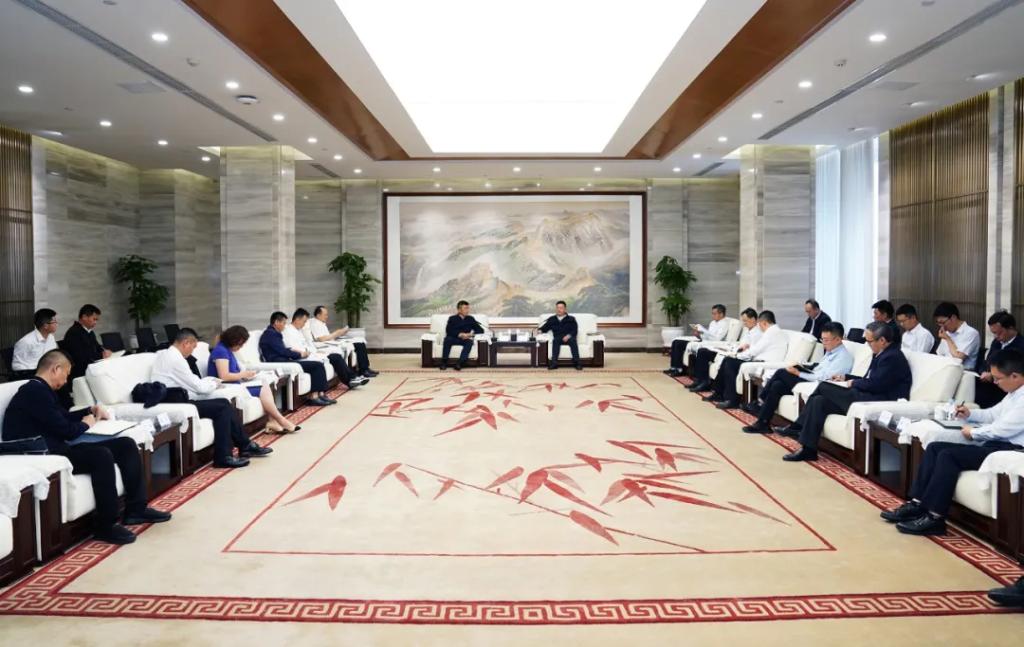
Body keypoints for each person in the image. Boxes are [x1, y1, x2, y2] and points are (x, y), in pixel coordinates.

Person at [2, 349, 171, 545]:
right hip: (42, 453)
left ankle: (136, 509)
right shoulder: (34, 392)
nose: (66, 380)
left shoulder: (41, 389)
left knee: (126, 444)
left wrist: (90, 410)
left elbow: (63, 417)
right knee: (101, 455)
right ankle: (105, 526)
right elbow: (68, 430)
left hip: (56, 447)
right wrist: (87, 423)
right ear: (56, 369)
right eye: (66, 374)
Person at [879, 349, 1024, 536]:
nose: (995, 383)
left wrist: (974, 433)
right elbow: (992, 415)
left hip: (1010, 451)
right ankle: (917, 504)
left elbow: (1003, 429)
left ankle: (935, 518)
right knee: (934, 448)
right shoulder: (1014, 393)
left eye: (998, 379)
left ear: (1015, 376)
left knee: (948, 456)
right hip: (995, 445)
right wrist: (970, 414)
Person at [776, 321, 912, 462]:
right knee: (819, 401)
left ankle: (798, 426)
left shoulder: (892, 357)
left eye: (869, 341)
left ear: (882, 340)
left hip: (877, 400)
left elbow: (876, 385)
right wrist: (847, 377)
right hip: (868, 395)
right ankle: (808, 449)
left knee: (823, 386)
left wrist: (852, 383)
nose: (867, 344)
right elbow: (869, 379)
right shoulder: (881, 353)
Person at [153, 328, 269, 468]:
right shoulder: (175, 360)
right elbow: (199, 388)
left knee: (223, 404)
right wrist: (214, 383)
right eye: (193, 347)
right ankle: (225, 456)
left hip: (179, 398)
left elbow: (192, 382)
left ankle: (244, 446)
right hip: (178, 403)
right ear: (186, 343)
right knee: (222, 407)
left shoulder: (167, 355)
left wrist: (209, 382)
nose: (192, 351)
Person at [742, 322, 853, 433]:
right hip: (812, 379)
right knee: (777, 385)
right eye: (822, 339)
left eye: (826, 340)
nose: (823, 343)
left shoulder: (843, 357)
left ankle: (760, 401)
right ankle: (763, 423)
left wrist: (799, 373)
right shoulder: (831, 351)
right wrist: (803, 366)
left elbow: (823, 378)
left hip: (818, 386)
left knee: (782, 372)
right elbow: (818, 368)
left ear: (838, 339)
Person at [209, 325, 299, 434]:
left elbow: (234, 371)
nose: (241, 347)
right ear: (233, 340)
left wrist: (246, 375)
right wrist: (243, 374)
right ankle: (280, 420)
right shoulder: (221, 351)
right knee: (263, 388)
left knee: (263, 383)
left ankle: (273, 421)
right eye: (240, 344)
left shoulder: (226, 349)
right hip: (228, 387)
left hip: (235, 384)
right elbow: (224, 376)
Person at [705, 310, 788, 410]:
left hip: (764, 363)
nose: (759, 327)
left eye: (760, 324)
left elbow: (755, 350)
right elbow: (754, 349)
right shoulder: (774, 331)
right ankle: (719, 393)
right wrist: (738, 354)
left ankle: (732, 400)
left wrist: (737, 355)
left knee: (730, 363)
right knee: (728, 360)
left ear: (765, 323)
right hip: (759, 360)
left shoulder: (770, 333)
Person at [260, 311, 335, 405]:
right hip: (279, 362)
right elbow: (282, 351)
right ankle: (314, 397)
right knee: (316, 366)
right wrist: (300, 355)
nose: (285, 326)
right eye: (283, 323)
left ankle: (321, 394)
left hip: (284, 360)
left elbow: (282, 350)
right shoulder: (271, 334)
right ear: (276, 322)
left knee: (318, 364)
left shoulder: (273, 333)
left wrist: (295, 352)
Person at [286, 308, 367, 390]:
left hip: (312, 353)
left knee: (336, 356)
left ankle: (352, 378)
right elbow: (292, 348)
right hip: (304, 356)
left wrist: (315, 351)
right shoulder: (288, 331)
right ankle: (351, 379)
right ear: (297, 319)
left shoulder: (299, 330)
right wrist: (308, 352)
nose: (305, 324)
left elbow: (308, 344)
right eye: (304, 321)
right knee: (335, 357)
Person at [687, 308, 759, 393]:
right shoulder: (747, 330)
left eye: (745, 321)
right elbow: (740, 343)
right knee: (702, 352)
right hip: (729, 349)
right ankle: (700, 381)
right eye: (743, 321)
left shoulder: (757, 333)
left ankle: (712, 388)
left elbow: (750, 349)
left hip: (738, 354)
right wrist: (732, 347)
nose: (744, 323)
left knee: (724, 360)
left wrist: (735, 351)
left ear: (753, 319)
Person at [308, 305, 378, 378]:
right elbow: (321, 339)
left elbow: (328, 336)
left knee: (360, 343)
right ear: (318, 315)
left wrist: (340, 333)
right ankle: (363, 370)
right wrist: (336, 333)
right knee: (358, 345)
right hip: (326, 344)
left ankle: (365, 368)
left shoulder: (321, 322)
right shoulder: (314, 323)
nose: (327, 317)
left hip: (332, 341)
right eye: (325, 315)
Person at [975, 311, 1024, 408]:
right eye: (994, 333)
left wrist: (992, 376)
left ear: (1011, 328)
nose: (996, 336)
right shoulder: (996, 342)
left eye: (999, 333)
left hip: (1005, 387)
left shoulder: (1021, 345)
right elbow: (988, 360)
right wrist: (984, 371)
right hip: (990, 382)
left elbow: (1016, 372)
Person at [664, 304, 729, 376]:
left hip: (711, 344)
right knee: (676, 342)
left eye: (714, 314)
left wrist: (704, 334)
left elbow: (717, 339)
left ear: (721, 314)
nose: (712, 316)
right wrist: (699, 335)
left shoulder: (725, 324)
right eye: (712, 313)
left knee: (679, 344)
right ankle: (673, 367)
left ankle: (679, 369)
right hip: (704, 341)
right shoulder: (713, 323)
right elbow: (708, 336)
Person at [933, 302, 981, 371]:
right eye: (938, 323)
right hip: (946, 369)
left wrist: (948, 339)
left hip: (964, 371)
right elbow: (940, 355)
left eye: (943, 322)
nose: (941, 326)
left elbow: (958, 358)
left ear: (953, 318)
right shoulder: (947, 333)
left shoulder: (971, 333)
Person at [11, 308, 59, 375]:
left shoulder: (51, 337)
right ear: (45, 326)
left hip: (47, 372)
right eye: (54, 322)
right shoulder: (26, 341)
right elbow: (17, 366)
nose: (57, 324)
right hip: (31, 374)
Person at [440, 300, 484, 370]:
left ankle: (459, 363)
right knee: (447, 340)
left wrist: (470, 335)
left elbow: (480, 330)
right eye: (465, 308)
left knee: (469, 342)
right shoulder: (452, 318)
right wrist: (460, 334)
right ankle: (444, 362)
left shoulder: (470, 319)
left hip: (465, 339)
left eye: (468, 308)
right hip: (453, 338)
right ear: (459, 310)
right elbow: (449, 331)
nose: (467, 310)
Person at [539, 301, 582, 371]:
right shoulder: (552, 319)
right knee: (555, 340)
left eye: (561, 308)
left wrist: (568, 336)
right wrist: (539, 331)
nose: (559, 310)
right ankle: (554, 363)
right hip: (558, 338)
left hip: (569, 337)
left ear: (565, 309)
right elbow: (545, 328)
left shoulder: (571, 319)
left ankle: (577, 363)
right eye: (557, 308)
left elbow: (575, 330)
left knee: (573, 341)